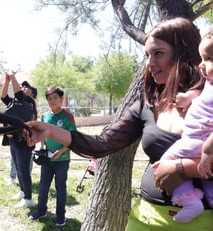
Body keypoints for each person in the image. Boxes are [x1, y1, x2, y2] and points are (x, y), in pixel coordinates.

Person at [25, 17, 213, 230]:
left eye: (158, 53)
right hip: (145, 216)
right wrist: (50, 130)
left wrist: (181, 168)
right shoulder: (148, 104)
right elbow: (103, 143)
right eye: (147, 55)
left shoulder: (208, 105)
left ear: (183, 53)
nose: (150, 63)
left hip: (200, 223)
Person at [155, 29, 213, 223]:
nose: (202, 65)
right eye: (202, 58)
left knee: (165, 163)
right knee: (209, 186)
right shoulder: (209, 82)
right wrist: (189, 97)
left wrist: (207, 150)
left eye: (209, 59)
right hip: (197, 140)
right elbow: (204, 94)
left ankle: (190, 202)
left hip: (199, 140)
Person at [28, 86, 76, 226]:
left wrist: (60, 152)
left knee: (60, 187)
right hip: (47, 160)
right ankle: (41, 211)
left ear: (61, 99)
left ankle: (60, 216)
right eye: (49, 98)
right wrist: (42, 147)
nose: (52, 101)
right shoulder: (45, 116)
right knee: (43, 186)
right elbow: (42, 133)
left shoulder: (68, 117)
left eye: (55, 98)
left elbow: (74, 139)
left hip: (62, 160)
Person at [1, 70, 38, 208]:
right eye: (21, 86)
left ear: (32, 94)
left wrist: (12, 76)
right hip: (13, 139)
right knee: (17, 166)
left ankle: (28, 199)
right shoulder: (15, 103)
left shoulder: (28, 102)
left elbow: (18, 93)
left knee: (23, 169)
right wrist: (7, 81)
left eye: (26, 87)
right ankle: (23, 192)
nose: (23, 87)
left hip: (23, 141)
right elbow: (3, 96)